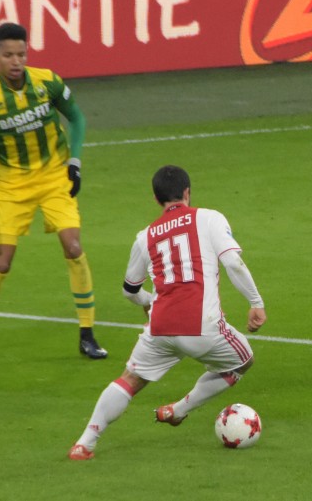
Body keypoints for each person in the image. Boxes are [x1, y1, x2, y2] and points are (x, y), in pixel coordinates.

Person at [68, 165, 267, 460]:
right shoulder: (208, 218)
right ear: (187, 192)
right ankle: (178, 410)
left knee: (129, 380)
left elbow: (129, 290)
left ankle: (84, 443)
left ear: (155, 198)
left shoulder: (144, 236)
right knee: (243, 362)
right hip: (203, 326)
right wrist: (255, 301)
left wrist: (150, 301)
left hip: (159, 327)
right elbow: (233, 263)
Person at [0, 22, 106, 360]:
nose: (16, 61)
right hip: (11, 187)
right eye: (9, 54)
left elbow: (78, 117)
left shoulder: (47, 82)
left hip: (54, 177)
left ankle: (87, 335)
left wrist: (74, 161)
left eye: (22, 54)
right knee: (2, 262)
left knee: (73, 246)